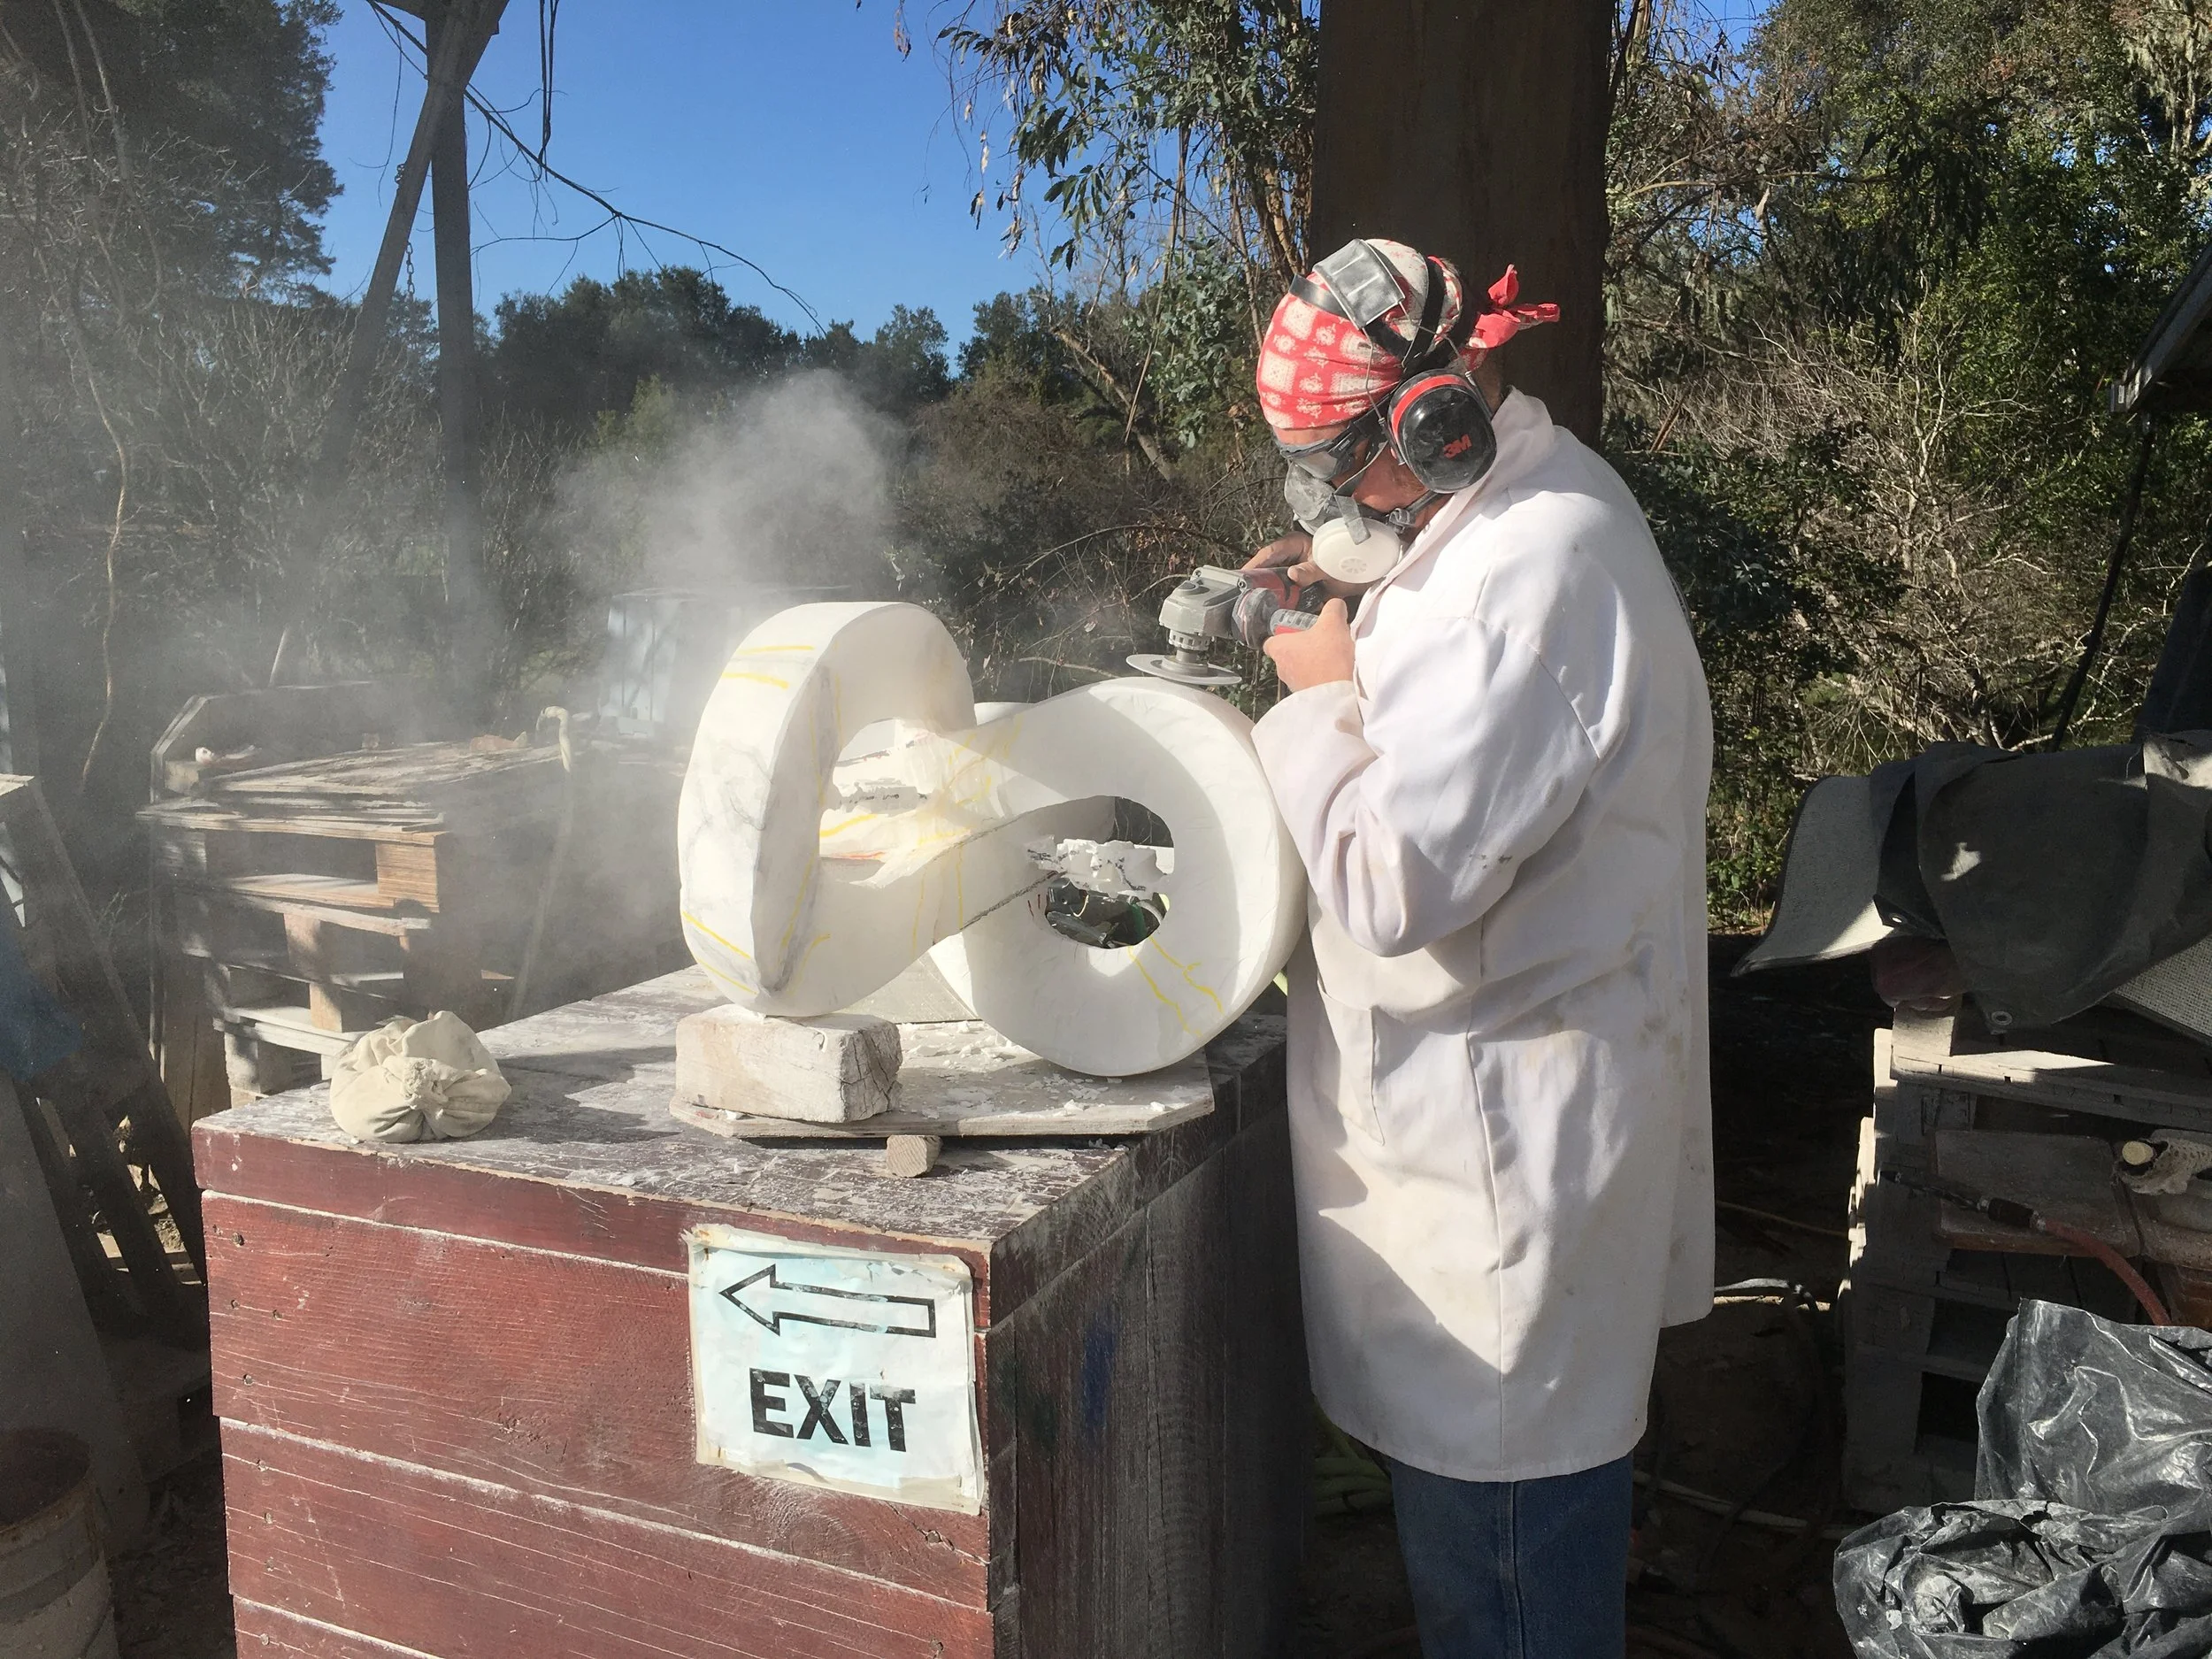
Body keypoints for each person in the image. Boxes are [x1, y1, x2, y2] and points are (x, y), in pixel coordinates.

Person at [1244, 237, 1714, 1659]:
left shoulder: (1534, 571)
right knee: (1497, 1568)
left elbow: (1392, 877)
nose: (1330, 503)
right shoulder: (1511, 502)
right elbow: (1429, 604)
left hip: (1509, 1163)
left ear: (1431, 424)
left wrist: (1318, 697)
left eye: (1339, 469)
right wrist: (1329, 575)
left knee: (1507, 1594)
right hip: (1487, 1121)